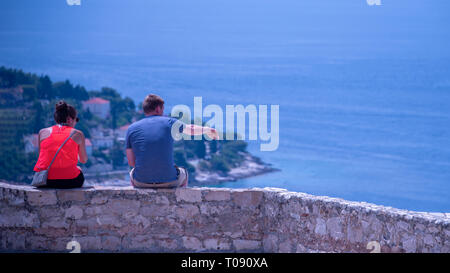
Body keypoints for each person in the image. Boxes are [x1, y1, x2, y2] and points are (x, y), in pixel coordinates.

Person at [126, 94, 218, 188]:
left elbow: (132, 162)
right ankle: (178, 202)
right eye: (162, 109)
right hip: (169, 180)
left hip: (141, 182)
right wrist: (207, 129)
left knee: (132, 173)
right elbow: (191, 129)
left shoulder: (131, 129)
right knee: (184, 173)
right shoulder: (169, 122)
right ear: (158, 109)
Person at [33, 101, 88, 189]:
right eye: (76, 119)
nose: (76, 122)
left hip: (45, 180)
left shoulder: (42, 132)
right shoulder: (77, 134)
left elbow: (42, 157)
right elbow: (83, 160)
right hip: (70, 181)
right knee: (79, 170)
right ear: (69, 119)